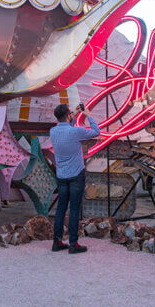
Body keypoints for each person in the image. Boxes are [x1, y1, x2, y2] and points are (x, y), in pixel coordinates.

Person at [49, 103, 101, 254]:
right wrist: (88, 115)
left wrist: (74, 114)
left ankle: (57, 242)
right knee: (74, 210)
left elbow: (66, 128)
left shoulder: (53, 131)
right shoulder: (76, 131)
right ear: (68, 115)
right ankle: (73, 244)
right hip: (76, 174)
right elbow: (95, 131)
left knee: (60, 209)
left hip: (61, 175)